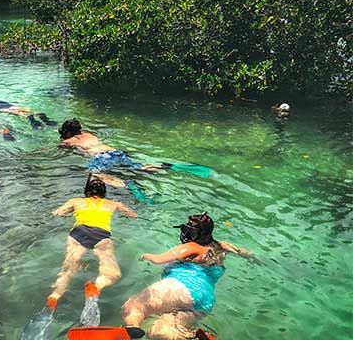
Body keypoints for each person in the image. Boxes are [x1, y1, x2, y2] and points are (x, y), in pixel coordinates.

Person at [121, 212, 256, 340]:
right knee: (159, 332)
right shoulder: (221, 247)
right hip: (204, 302)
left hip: (182, 288)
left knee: (135, 305)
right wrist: (255, 258)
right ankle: (191, 337)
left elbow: (159, 259)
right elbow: (244, 253)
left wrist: (146, 256)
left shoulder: (191, 247)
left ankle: (131, 330)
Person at [45, 176, 138, 326]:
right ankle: (96, 287)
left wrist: (58, 211)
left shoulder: (76, 201)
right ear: (104, 192)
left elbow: (58, 213)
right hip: (101, 236)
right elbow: (133, 215)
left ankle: (55, 296)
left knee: (69, 269)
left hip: (78, 233)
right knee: (112, 273)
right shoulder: (113, 203)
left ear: (87, 192)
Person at [58, 118, 162, 173]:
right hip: (115, 151)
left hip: (101, 157)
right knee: (138, 168)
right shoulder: (88, 134)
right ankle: (164, 166)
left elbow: (58, 149)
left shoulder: (68, 141)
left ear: (67, 133)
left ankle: (124, 184)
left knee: (93, 174)